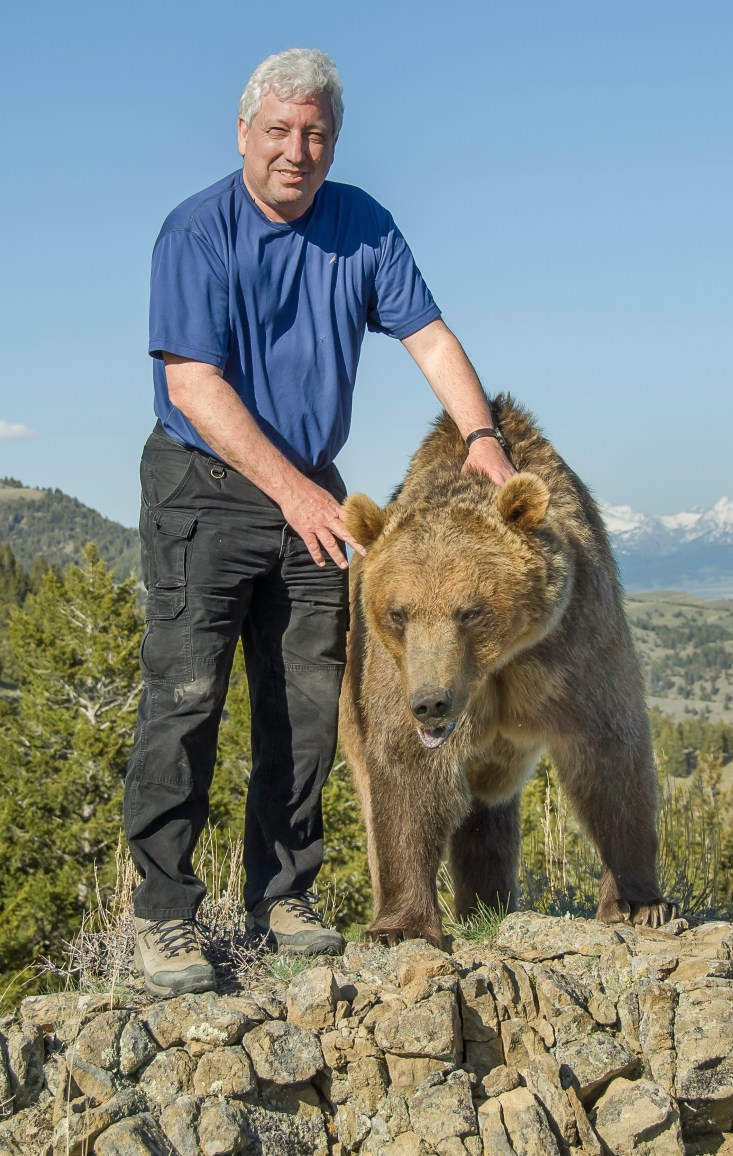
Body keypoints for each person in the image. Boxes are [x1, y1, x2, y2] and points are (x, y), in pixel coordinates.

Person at [124, 47, 515, 997]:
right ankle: (163, 915)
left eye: (316, 135)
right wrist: (296, 492)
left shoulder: (362, 226)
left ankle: (282, 896)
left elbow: (427, 334)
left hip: (312, 491)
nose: (296, 151)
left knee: (308, 702)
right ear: (245, 134)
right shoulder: (197, 233)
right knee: (186, 698)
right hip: (206, 488)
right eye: (280, 132)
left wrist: (482, 434)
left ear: (331, 144)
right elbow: (193, 382)